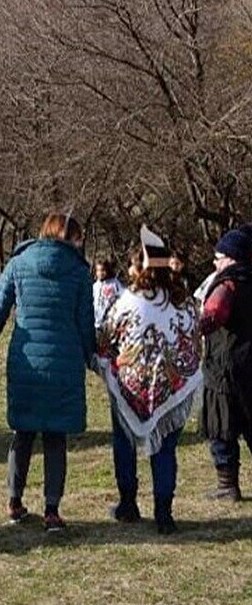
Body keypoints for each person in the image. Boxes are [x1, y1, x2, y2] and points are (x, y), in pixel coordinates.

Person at [0, 213, 96, 531]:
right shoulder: (78, 271)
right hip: (64, 361)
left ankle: (14, 500)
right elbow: (85, 322)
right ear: (70, 237)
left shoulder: (18, 263)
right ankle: (52, 509)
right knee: (55, 437)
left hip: (26, 360)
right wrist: (91, 357)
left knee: (23, 433)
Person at [96, 227, 201, 534]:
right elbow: (195, 340)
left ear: (139, 267)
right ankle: (164, 513)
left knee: (124, 444)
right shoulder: (185, 301)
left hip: (131, 387)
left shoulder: (128, 301)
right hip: (172, 389)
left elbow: (104, 339)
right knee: (166, 449)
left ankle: (128, 503)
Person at [198, 227, 252, 502]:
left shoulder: (227, 285)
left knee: (222, 428)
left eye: (219, 256)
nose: (215, 262)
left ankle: (227, 484)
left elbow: (212, 318)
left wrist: (189, 327)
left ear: (231, 258)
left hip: (225, 367)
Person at [93, 259, 124, 328]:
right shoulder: (95, 286)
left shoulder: (114, 283)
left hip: (109, 322)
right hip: (96, 322)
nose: (101, 273)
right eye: (98, 270)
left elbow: (123, 297)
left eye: (103, 270)